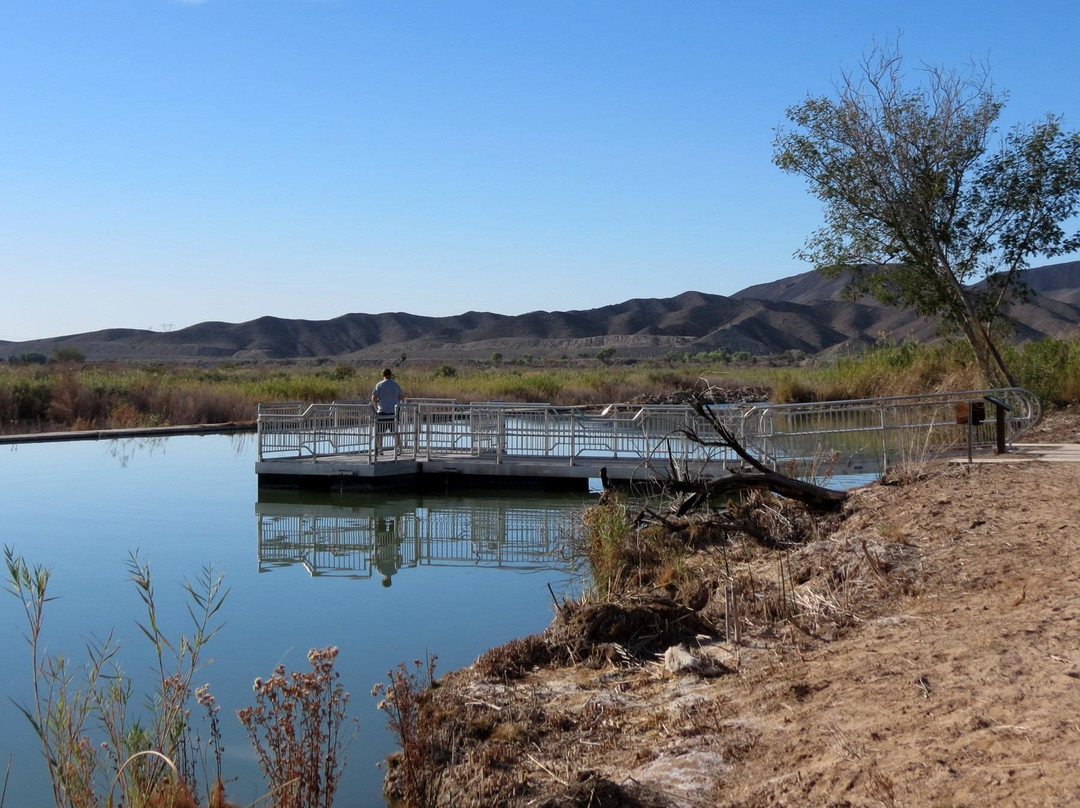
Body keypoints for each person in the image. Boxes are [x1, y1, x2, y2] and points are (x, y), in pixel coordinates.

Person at [370, 368, 404, 455]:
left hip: (382, 411)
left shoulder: (380, 385)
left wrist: (378, 401)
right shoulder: (395, 384)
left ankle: (380, 449)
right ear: (390, 375)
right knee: (395, 432)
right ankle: (398, 448)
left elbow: (373, 397)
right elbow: (401, 396)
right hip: (394, 411)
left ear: (383, 375)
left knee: (380, 432)